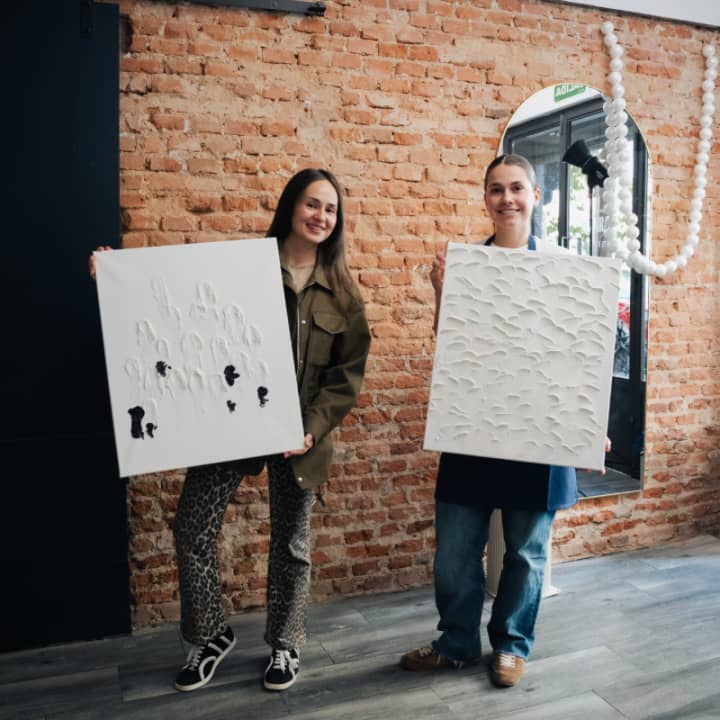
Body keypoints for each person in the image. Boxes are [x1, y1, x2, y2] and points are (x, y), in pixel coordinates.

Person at [90, 168, 371, 693]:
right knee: (192, 527)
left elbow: (346, 375)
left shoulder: (342, 293)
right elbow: (175, 305)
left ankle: (285, 643)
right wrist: (113, 276)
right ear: (291, 206)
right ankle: (209, 636)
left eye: (331, 209)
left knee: (291, 543)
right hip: (232, 424)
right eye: (312, 204)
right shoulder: (241, 269)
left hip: (300, 436)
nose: (321, 216)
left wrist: (311, 430)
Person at [400, 154, 610, 688]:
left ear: (536, 196)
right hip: (474, 426)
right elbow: (455, 350)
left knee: (526, 553)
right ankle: (456, 644)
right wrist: (443, 292)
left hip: (541, 432)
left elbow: (581, 354)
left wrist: (589, 423)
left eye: (517, 188)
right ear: (485, 199)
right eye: (496, 189)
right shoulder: (468, 264)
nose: (507, 198)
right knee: (455, 553)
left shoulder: (566, 268)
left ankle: (512, 646)